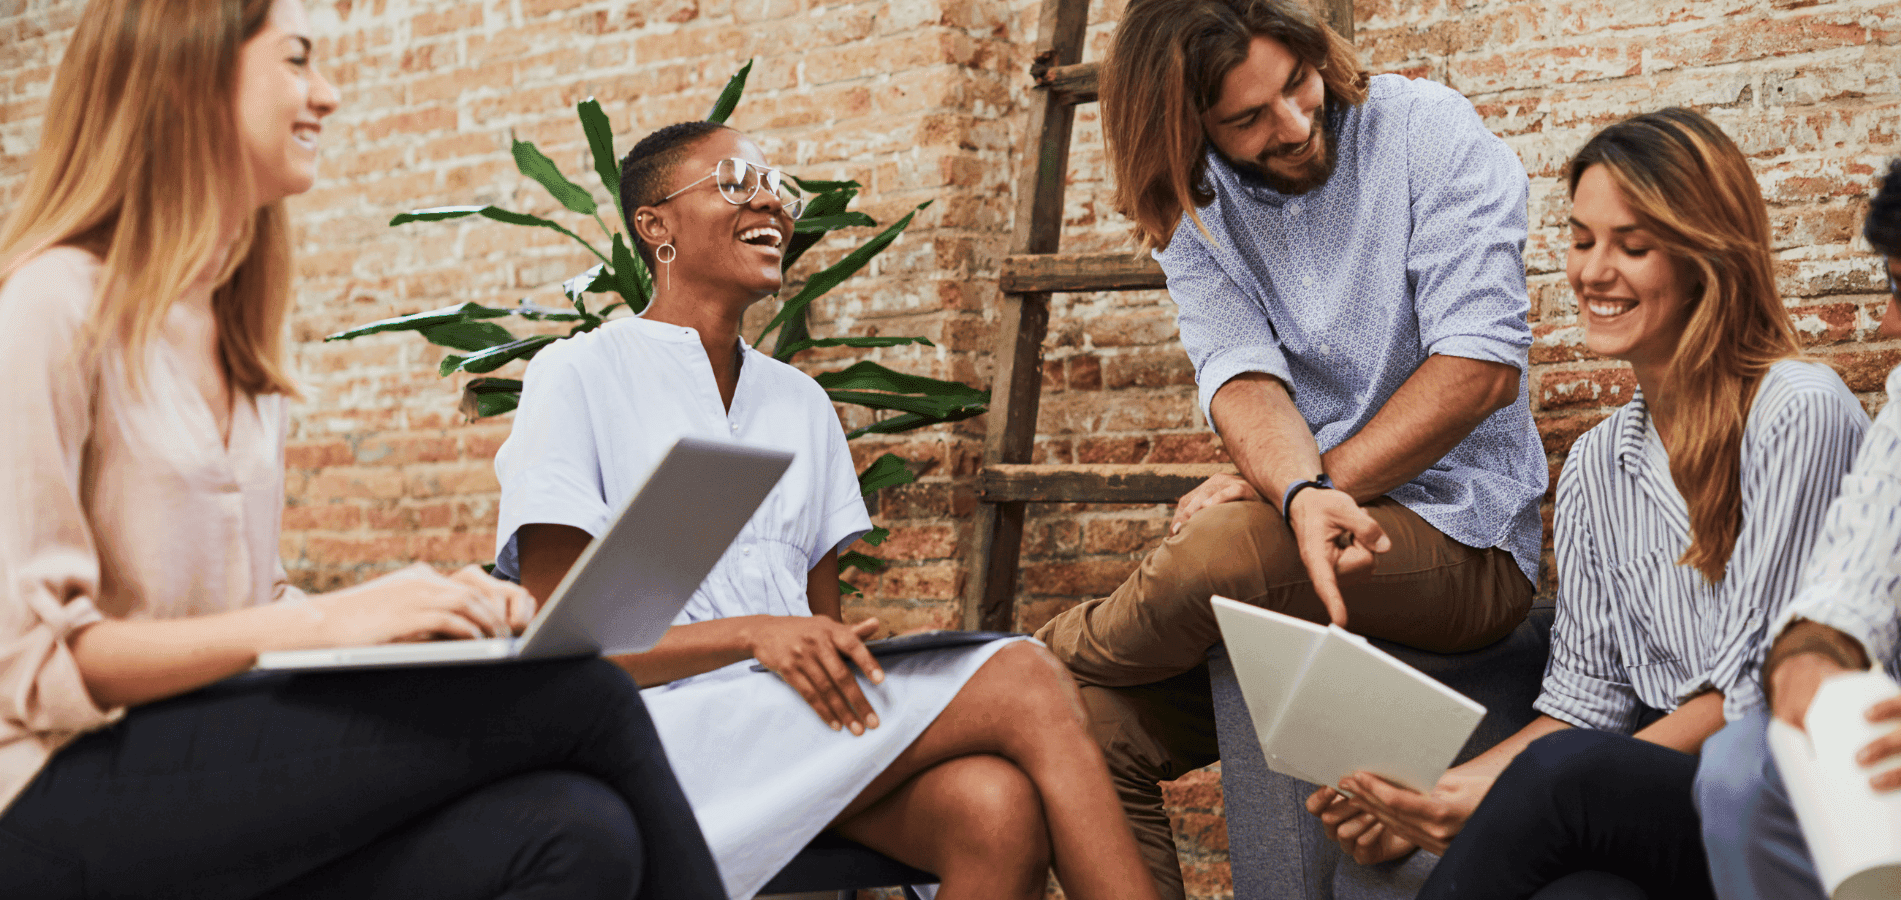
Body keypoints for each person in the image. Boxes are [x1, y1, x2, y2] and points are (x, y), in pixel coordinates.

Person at [0, 1, 728, 898]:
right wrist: (330, 620)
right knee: (590, 697)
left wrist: (417, 622)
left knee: (578, 833)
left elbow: (242, 609)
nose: (328, 94)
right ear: (190, 72)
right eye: (298, 60)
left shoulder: (233, 337)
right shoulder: (50, 307)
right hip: (52, 789)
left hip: (205, 756)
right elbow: (35, 665)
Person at [491, 119, 1160, 900]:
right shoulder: (576, 374)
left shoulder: (800, 403)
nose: (771, 202)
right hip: (656, 735)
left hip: (789, 728)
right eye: (738, 182)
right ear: (656, 225)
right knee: (1023, 674)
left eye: (779, 188)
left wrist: (812, 644)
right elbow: (557, 645)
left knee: (995, 809)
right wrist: (754, 635)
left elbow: (822, 626)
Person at [1030, 1, 1548, 892]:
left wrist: (1302, 491)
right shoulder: (1192, 205)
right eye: (1248, 118)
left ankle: (1010, 668)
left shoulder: (1426, 130)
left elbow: (1478, 369)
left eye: (1298, 85)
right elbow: (1242, 376)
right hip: (1312, 533)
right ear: (1186, 126)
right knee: (1087, 725)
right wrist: (1299, 494)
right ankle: (1044, 689)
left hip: (1466, 541)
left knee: (1219, 551)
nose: (1296, 126)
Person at [1321, 108, 1870, 899]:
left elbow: (1754, 693)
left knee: (1564, 780)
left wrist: (1498, 793)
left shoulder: (1799, 412)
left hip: (1803, 798)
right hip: (1670, 810)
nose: (1593, 270)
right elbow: (1585, 702)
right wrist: (1426, 794)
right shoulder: (1595, 466)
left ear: (1705, 259)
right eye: (1582, 239)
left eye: (1633, 246)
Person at [1694, 147, 1901, 900]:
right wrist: (1808, 663)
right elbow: (1853, 575)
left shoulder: (1800, 407)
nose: (1892, 322)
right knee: (1742, 769)